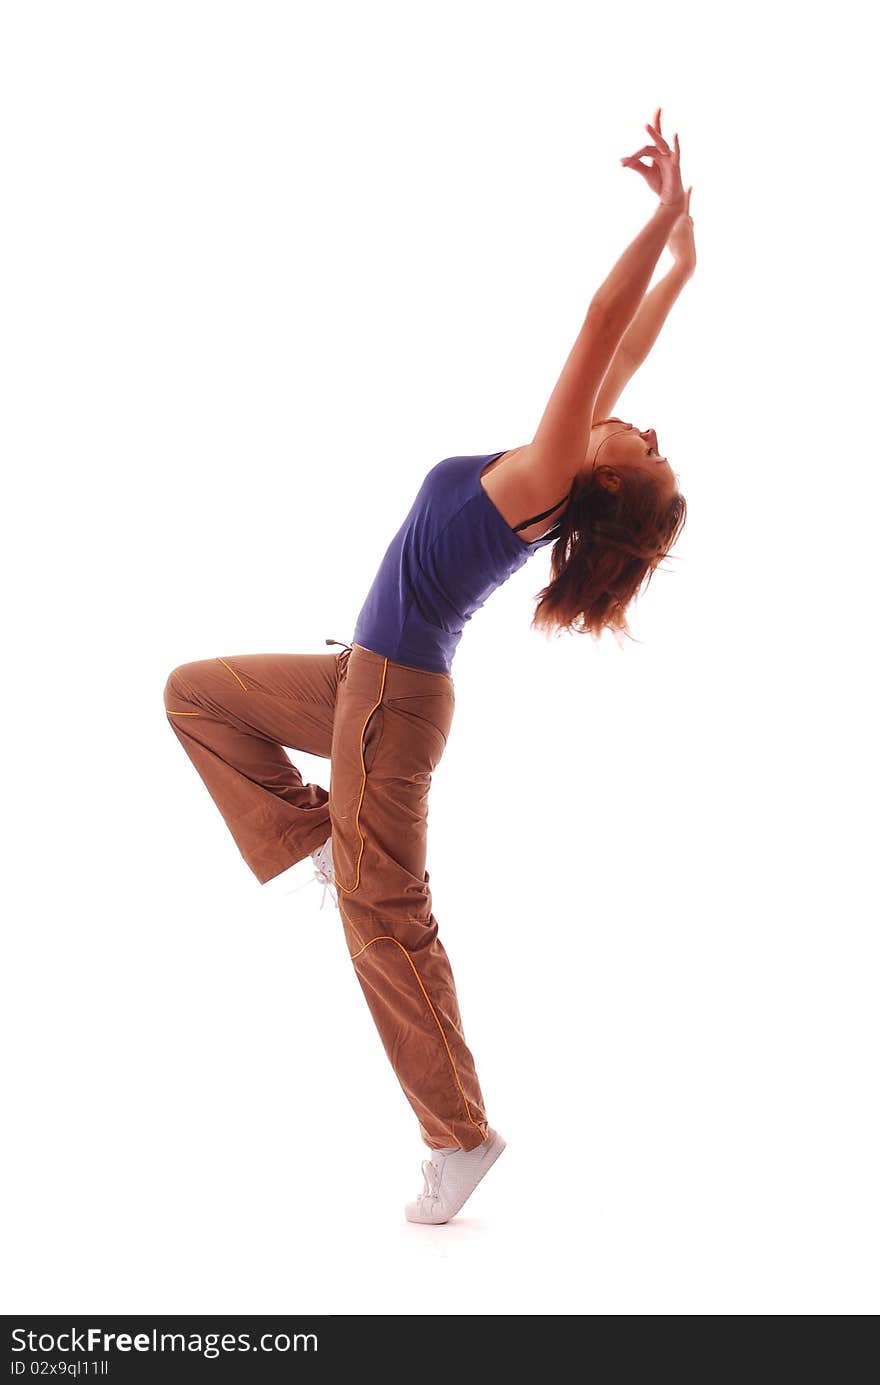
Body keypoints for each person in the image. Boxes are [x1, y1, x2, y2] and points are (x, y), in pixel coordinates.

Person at [163, 109, 695, 1224]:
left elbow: (600, 321)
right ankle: (320, 832)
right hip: (366, 675)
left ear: (602, 482)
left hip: (392, 702)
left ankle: (457, 1137)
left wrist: (659, 214)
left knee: (383, 918)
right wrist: (685, 251)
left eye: (647, 449)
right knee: (196, 693)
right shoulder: (561, 451)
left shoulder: (550, 471)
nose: (647, 429)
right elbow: (632, 339)